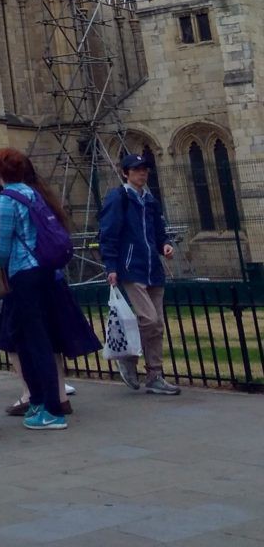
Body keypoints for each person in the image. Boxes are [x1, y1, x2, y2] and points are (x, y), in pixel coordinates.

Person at [0, 148, 69, 431]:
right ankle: (37, 400)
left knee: (36, 341)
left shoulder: (7, 199)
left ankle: (52, 410)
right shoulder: (31, 193)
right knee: (23, 337)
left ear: (0, 172)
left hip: (24, 274)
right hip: (43, 272)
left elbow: (4, 245)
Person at [99, 153, 180, 396]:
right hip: (131, 266)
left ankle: (154, 374)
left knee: (157, 324)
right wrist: (111, 266)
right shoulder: (119, 198)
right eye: (136, 170)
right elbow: (108, 232)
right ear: (126, 173)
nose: (141, 173)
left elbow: (157, 230)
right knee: (149, 319)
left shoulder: (150, 199)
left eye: (144, 169)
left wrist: (164, 244)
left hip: (152, 268)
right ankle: (129, 359)